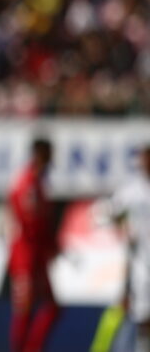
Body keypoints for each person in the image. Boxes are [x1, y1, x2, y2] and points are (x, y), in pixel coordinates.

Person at [7, 137, 60, 352]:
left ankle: (32, 348)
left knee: (51, 307)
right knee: (24, 308)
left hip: (36, 254)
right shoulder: (25, 182)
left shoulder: (38, 183)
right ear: (41, 154)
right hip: (25, 255)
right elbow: (26, 219)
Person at [102, 144, 150, 352]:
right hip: (142, 262)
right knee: (144, 315)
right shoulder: (132, 191)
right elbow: (110, 212)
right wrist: (123, 229)